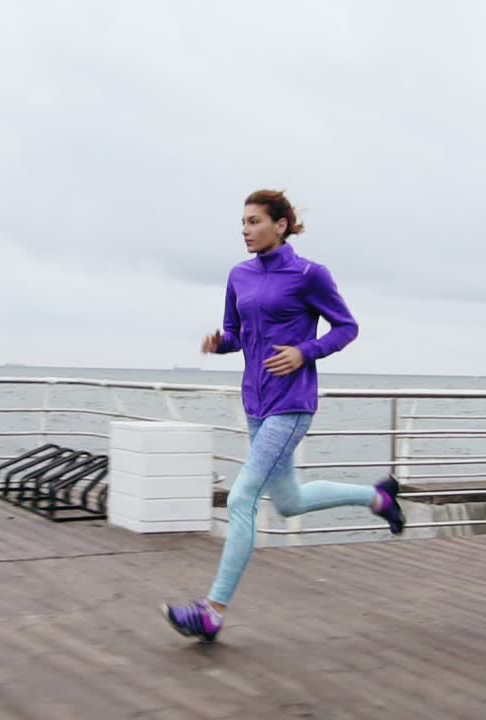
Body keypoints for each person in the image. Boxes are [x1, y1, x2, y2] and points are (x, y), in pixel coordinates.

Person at [163, 189, 404, 643]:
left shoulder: (310, 274)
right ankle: (378, 500)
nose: (246, 231)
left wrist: (303, 352)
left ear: (281, 224)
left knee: (241, 499)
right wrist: (222, 343)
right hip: (255, 401)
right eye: (242, 223)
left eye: (254, 222)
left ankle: (212, 611)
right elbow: (237, 333)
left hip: (292, 403)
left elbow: (347, 328)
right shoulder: (239, 276)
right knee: (289, 500)